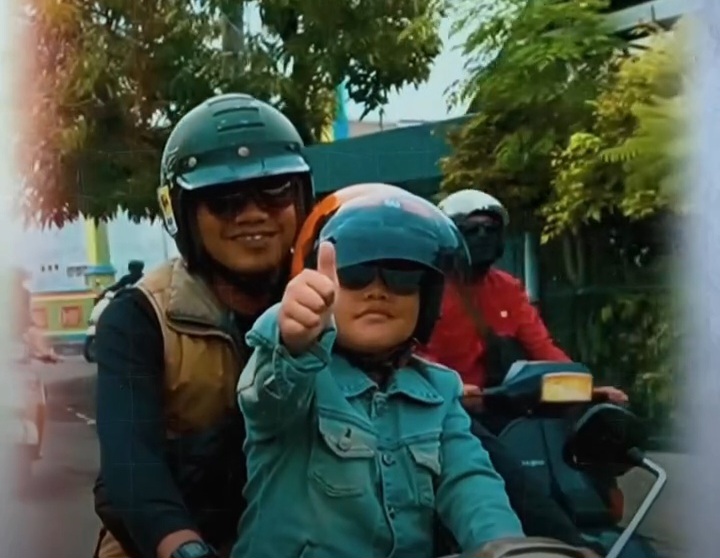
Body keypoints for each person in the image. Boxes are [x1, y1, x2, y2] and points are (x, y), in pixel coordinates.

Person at [233, 192, 527, 558]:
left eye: (402, 274)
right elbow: (267, 398)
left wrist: (506, 547)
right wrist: (292, 340)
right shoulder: (299, 375)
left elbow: (470, 482)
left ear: (427, 296)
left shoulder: (438, 391)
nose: (377, 290)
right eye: (355, 271)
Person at [92, 93, 314, 558]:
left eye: (274, 190)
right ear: (183, 213)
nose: (252, 213)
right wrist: (183, 548)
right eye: (223, 199)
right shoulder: (139, 318)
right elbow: (131, 465)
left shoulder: (328, 299)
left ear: (301, 198)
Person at [421, 189, 628, 404]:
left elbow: (542, 347)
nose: (483, 236)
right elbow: (418, 359)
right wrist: (453, 389)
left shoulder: (507, 287)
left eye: (491, 229)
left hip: (502, 404)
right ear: (450, 237)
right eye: (472, 229)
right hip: (444, 406)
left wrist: (586, 389)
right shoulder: (427, 290)